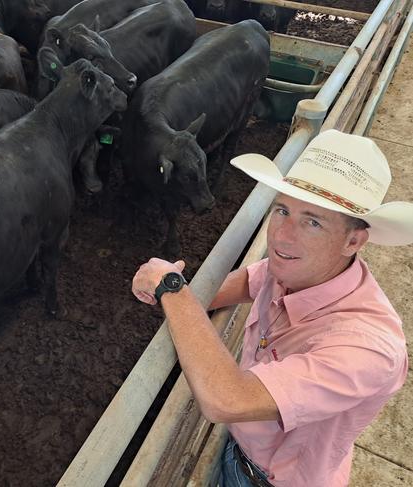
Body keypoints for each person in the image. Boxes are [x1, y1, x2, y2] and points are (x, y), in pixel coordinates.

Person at [131, 129, 413, 487]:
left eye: (313, 221)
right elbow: (241, 284)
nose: (281, 236)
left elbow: (225, 399)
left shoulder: (367, 349)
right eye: (282, 209)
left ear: (353, 240)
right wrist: (184, 297)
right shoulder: (298, 268)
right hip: (243, 448)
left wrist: (171, 289)